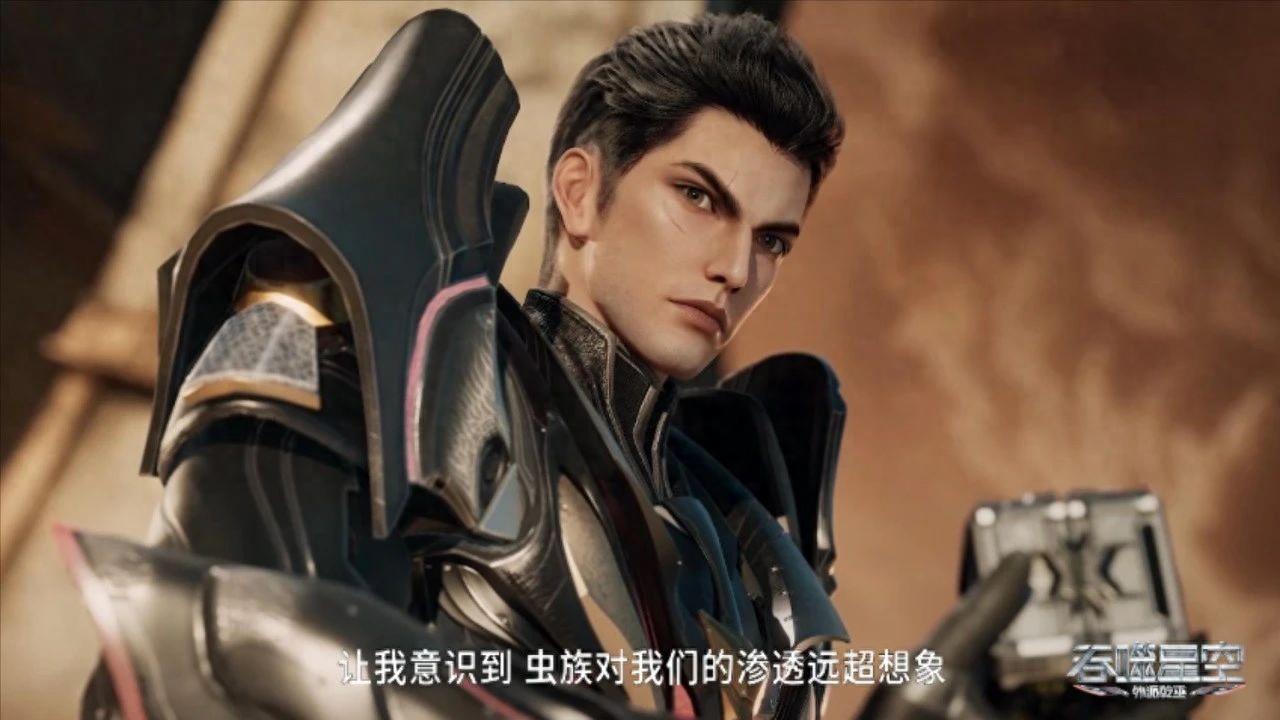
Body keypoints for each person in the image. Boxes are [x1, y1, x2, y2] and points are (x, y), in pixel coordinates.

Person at [69, 9, 1032, 720]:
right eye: (699, 198)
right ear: (580, 189)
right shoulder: (369, 346)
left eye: (773, 239)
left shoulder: (740, 543)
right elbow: (211, 645)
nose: (736, 269)